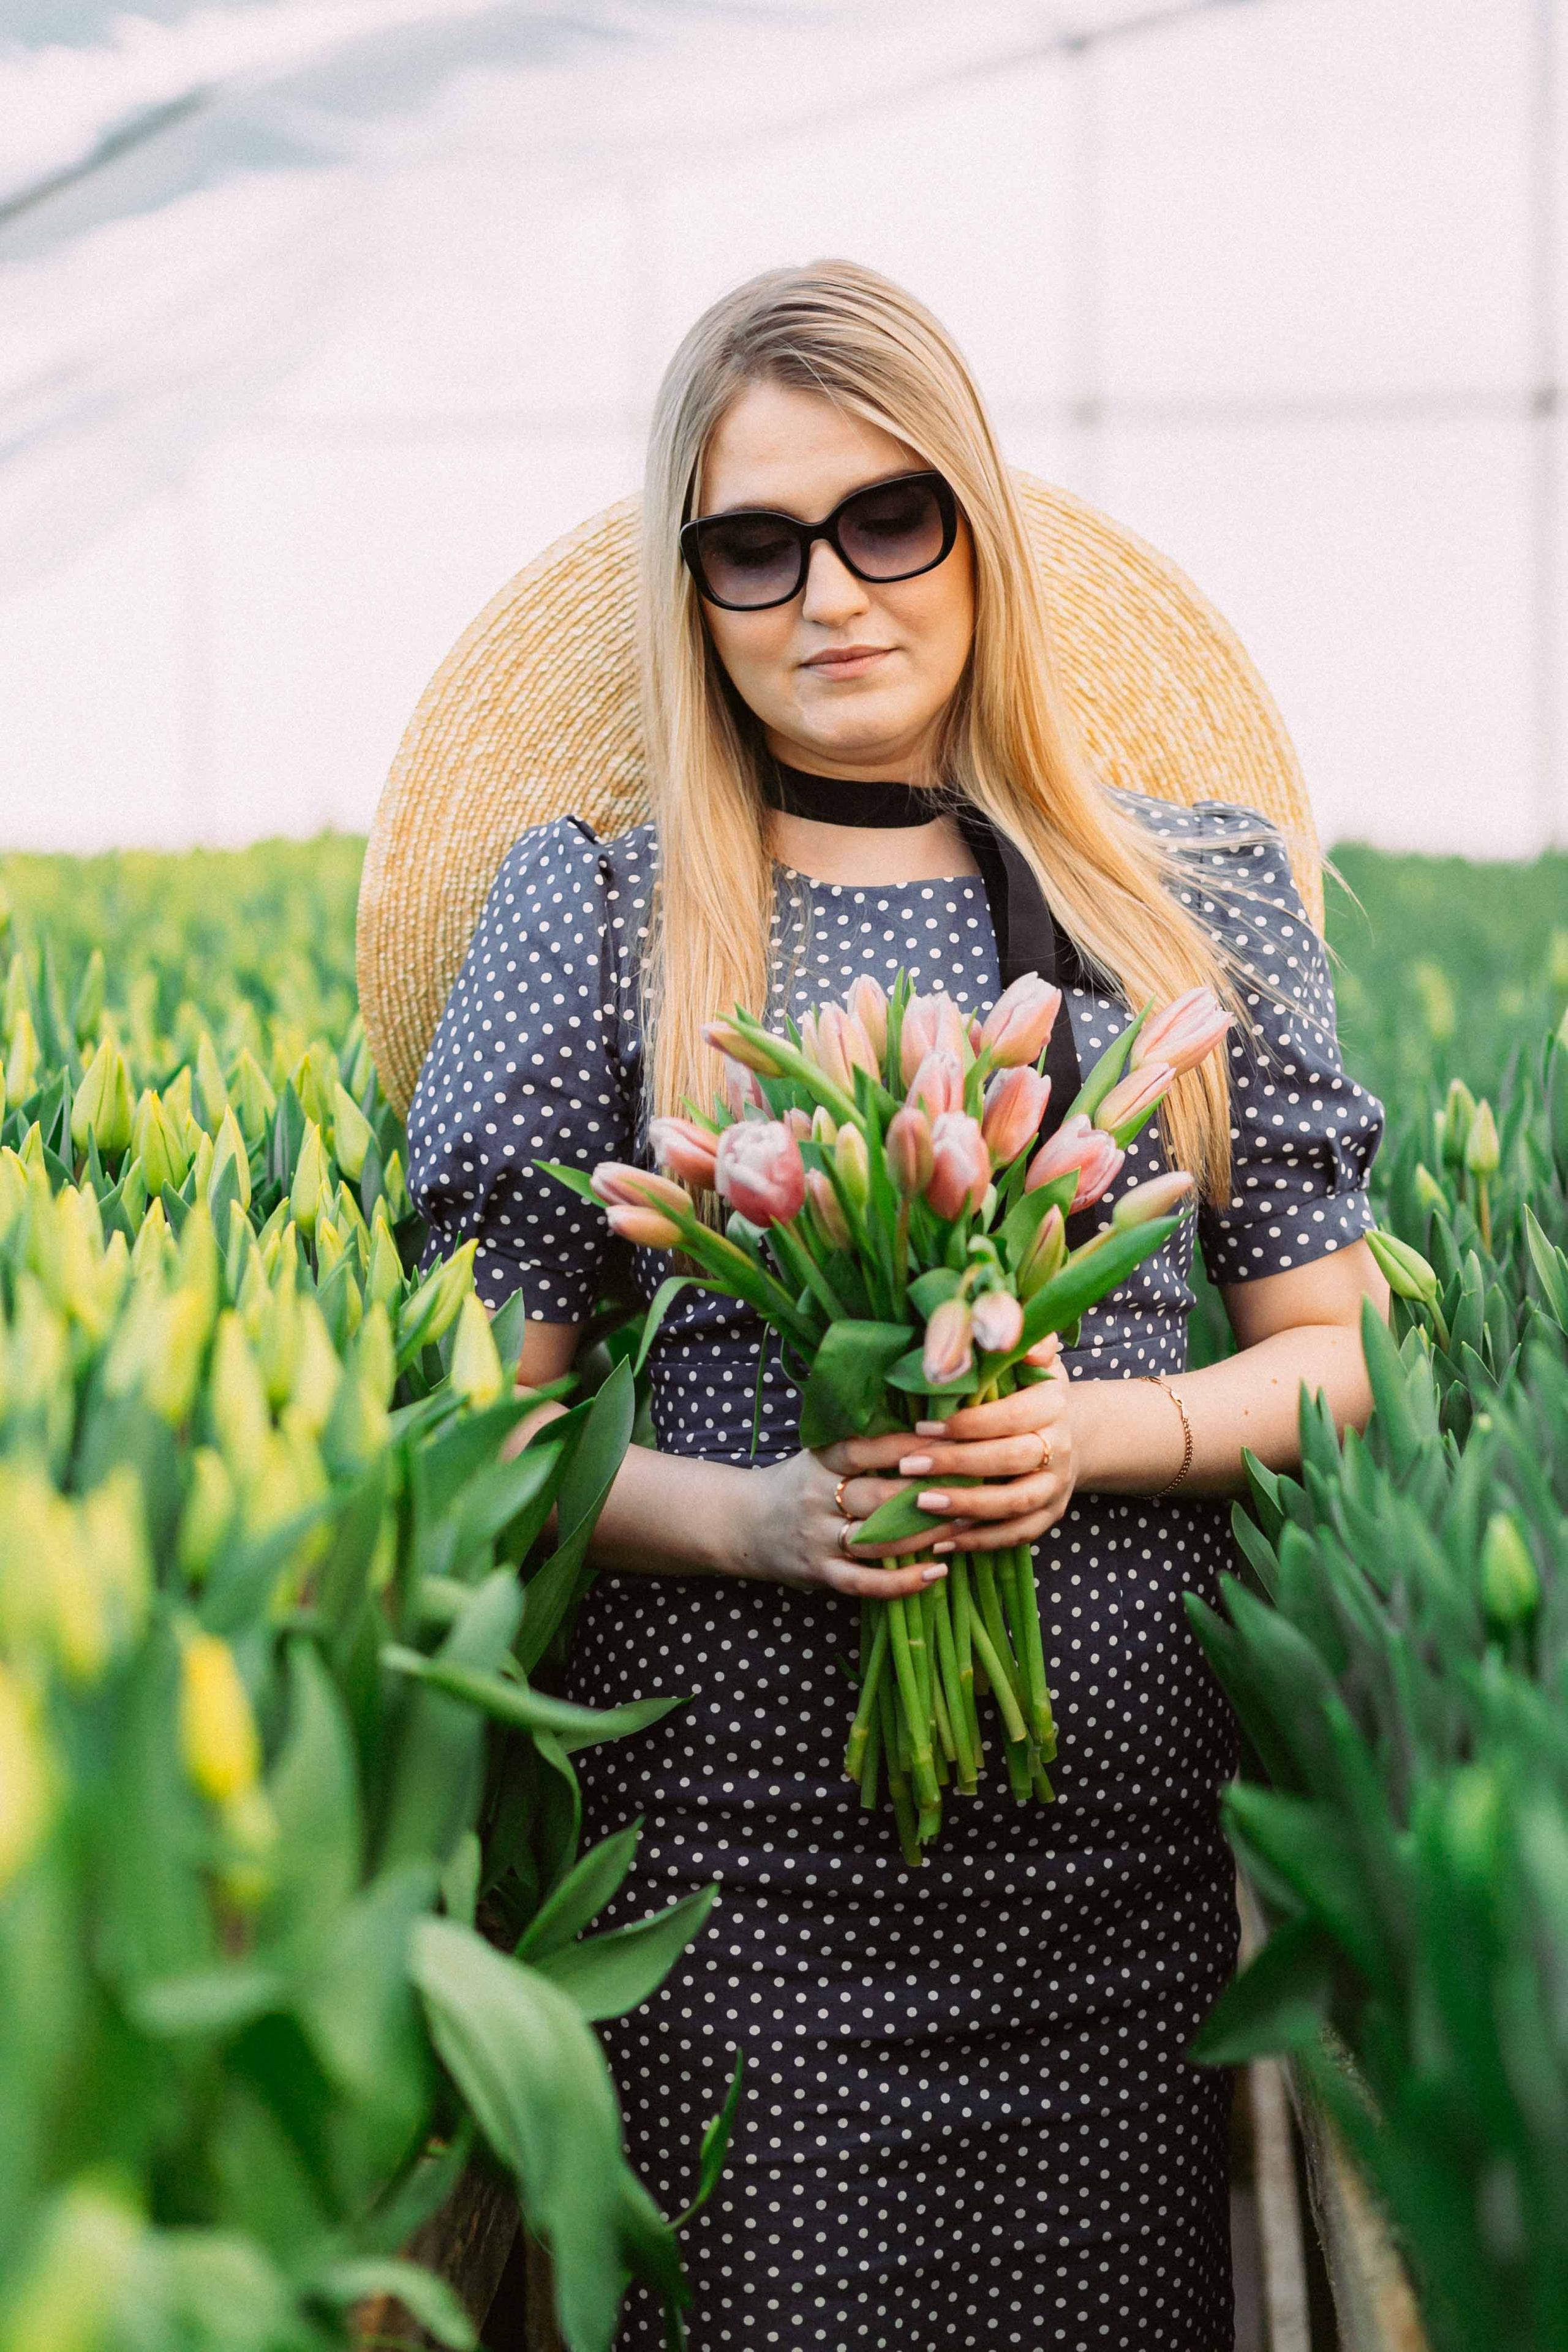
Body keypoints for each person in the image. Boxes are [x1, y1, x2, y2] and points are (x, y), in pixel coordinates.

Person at [406, 260, 1387, 2352]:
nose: (830, 591)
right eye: (755, 545)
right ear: (696, 590)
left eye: (889, 517)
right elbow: (482, 1437)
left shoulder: (1188, 906)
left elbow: (1336, 1363)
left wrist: (1097, 1433)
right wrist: (751, 1522)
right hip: (746, 1903)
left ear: (975, 535)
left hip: (1119, 1916)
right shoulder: (601, 918)